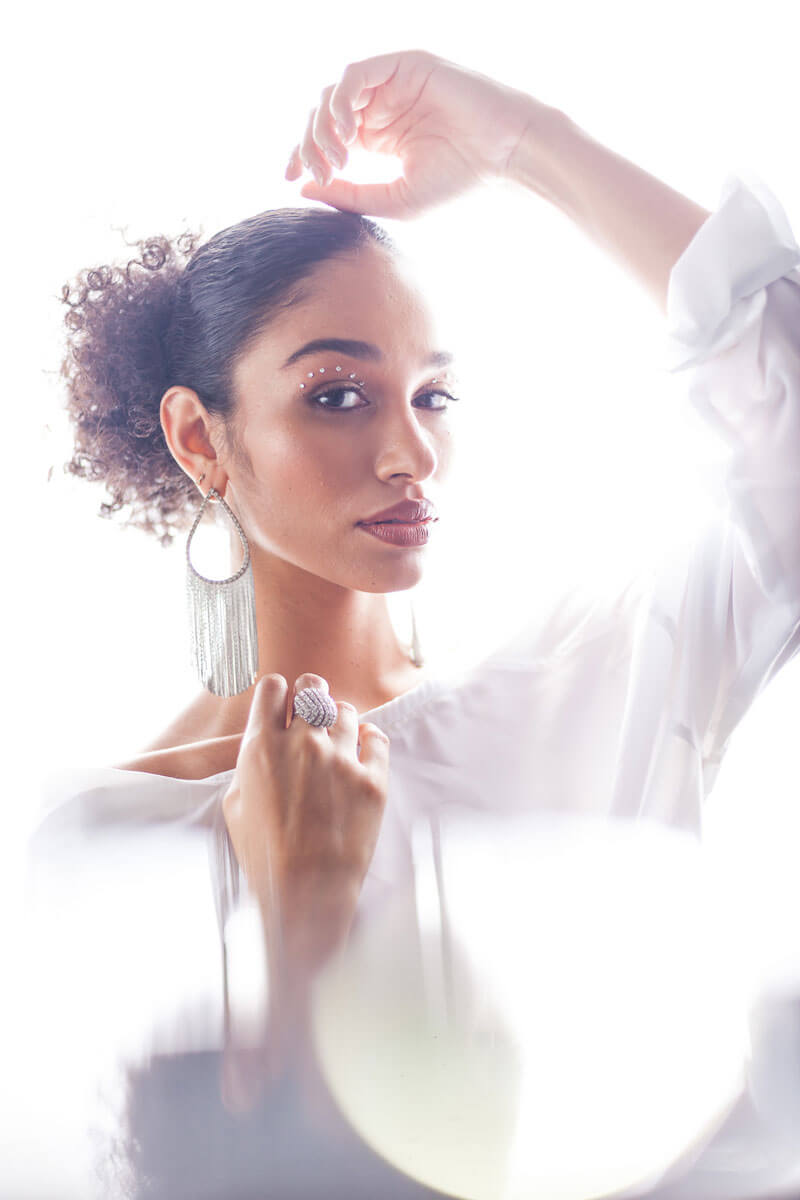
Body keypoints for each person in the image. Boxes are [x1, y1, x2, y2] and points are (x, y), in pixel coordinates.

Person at [29, 47, 800, 1200]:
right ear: (198, 438)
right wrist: (301, 929)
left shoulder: (597, 671)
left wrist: (522, 140)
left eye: (433, 394)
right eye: (337, 395)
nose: (411, 454)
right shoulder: (112, 841)